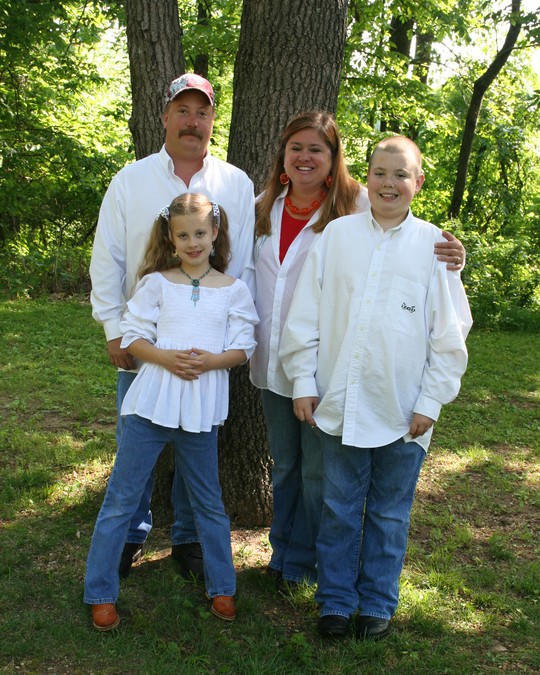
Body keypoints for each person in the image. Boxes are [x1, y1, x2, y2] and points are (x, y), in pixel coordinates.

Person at [250, 112, 467, 588]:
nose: (305, 157)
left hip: (335, 374)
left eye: (317, 149)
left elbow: (406, 231)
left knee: (322, 477)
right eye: (296, 148)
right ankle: (289, 559)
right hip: (276, 360)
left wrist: (455, 258)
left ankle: (310, 565)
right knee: (287, 467)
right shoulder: (261, 206)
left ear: (335, 160)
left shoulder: (357, 204)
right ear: (283, 155)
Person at [89, 73, 255, 580]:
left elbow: (242, 266)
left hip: (206, 353)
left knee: (196, 443)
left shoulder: (235, 184)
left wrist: (225, 347)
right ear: (164, 116)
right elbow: (107, 259)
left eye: (202, 112)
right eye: (182, 110)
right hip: (143, 346)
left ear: (212, 120)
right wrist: (114, 330)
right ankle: (129, 534)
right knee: (136, 444)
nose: (192, 121)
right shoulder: (131, 180)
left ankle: (188, 538)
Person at [84, 194, 258, 631]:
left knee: (208, 502)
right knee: (122, 498)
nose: (193, 242)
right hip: (150, 406)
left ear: (215, 232)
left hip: (201, 412)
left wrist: (210, 362)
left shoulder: (233, 289)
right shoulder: (156, 283)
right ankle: (101, 592)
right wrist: (166, 358)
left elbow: (243, 347)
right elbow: (133, 337)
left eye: (200, 233)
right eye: (183, 235)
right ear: (171, 237)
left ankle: (222, 587)